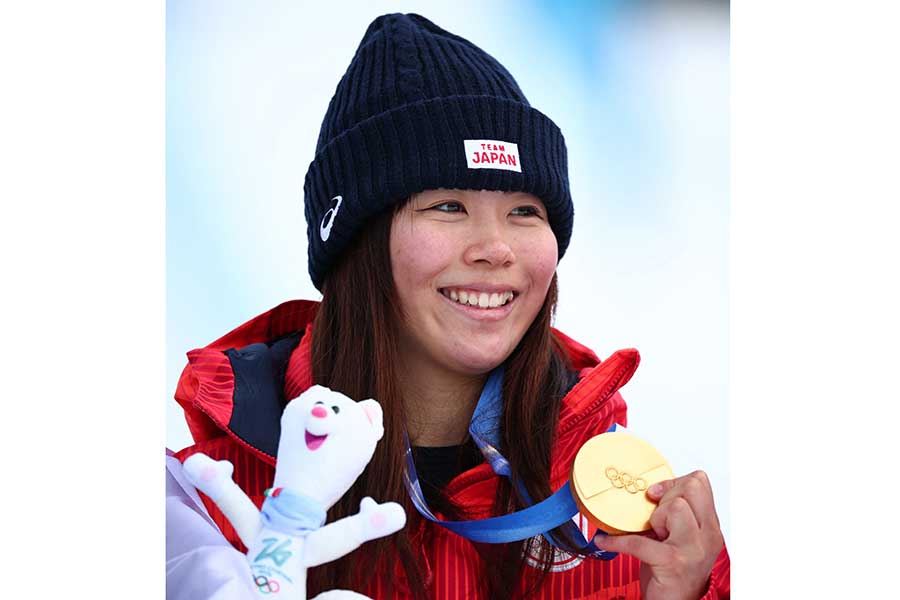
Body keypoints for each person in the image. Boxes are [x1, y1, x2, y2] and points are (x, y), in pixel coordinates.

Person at [166, 12, 730, 600]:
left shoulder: (632, 523)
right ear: (356, 241)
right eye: (447, 207)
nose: (495, 248)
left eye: (525, 211)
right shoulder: (210, 504)